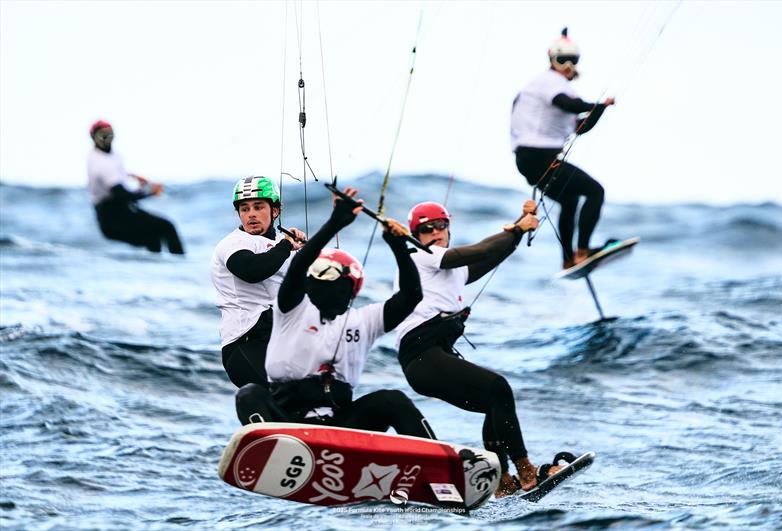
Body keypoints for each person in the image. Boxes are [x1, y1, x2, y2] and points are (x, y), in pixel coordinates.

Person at [394, 200, 571, 497]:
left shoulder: (451, 271)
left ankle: (501, 481)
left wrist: (520, 224)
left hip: (434, 355)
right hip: (421, 355)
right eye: (426, 229)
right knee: (499, 387)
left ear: (448, 227)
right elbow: (479, 251)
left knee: (495, 402)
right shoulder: (419, 256)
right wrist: (517, 228)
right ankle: (525, 468)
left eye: (441, 226)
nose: (436, 232)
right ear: (417, 234)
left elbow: (493, 254)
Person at [235, 187, 435, 440]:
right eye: (316, 271)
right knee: (249, 394)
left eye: (329, 272)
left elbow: (411, 297)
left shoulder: (364, 320)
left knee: (392, 400)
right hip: (287, 426)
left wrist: (399, 248)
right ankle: (268, 451)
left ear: (351, 285)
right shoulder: (292, 307)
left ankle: (444, 466)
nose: (319, 277)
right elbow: (298, 267)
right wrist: (335, 222)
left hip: (342, 426)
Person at [510, 28, 616, 269]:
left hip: (531, 161)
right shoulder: (549, 81)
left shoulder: (556, 88)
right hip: (538, 157)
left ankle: (568, 259)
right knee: (595, 191)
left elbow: (579, 127)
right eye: (561, 60)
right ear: (551, 60)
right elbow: (568, 104)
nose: (567, 65)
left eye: (573, 60)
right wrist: (594, 104)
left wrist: (600, 109)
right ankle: (582, 252)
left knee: (569, 200)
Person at [211, 176, 305, 388]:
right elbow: (252, 271)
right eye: (244, 209)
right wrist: (286, 247)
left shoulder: (284, 247)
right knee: (286, 394)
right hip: (244, 345)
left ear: (275, 211)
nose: (251, 214)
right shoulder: (232, 243)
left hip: (280, 342)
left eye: (258, 206)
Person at [86, 120, 184, 254]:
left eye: (110, 134)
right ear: (93, 137)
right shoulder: (100, 163)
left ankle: (160, 272)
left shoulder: (105, 155)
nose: (107, 138)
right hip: (112, 218)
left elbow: (115, 176)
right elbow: (122, 194)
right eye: (103, 135)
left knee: (153, 238)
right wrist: (150, 191)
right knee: (167, 227)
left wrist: (131, 177)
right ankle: (178, 269)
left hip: (121, 211)